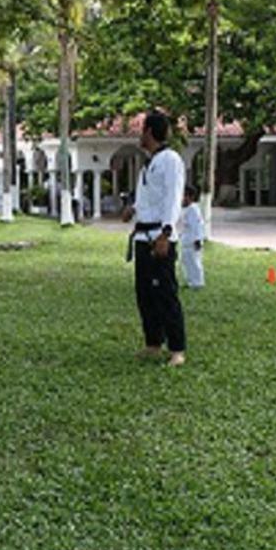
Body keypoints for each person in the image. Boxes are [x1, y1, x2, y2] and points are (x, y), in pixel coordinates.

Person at [121, 111, 187, 366]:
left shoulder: (171, 160)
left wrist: (166, 233)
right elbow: (149, 198)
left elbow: (173, 196)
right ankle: (153, 342)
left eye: (141, 130)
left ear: (149, 131)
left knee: (166, 293)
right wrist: (133, 209)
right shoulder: (149, 163)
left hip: (160, 235)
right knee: (145, 293)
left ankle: (177, 349)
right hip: (142, 235)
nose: (140, 135)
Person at [178, 184, 206, 289]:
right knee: (187, 261)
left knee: (194, 262)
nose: (182, 199)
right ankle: (190, 280)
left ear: (191, 197)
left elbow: (197, 226)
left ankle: (197, 282)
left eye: (184, 196)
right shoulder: (186, 209)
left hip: (193, 241)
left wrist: (198, 239)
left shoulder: (193, 210)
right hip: (186, 240)